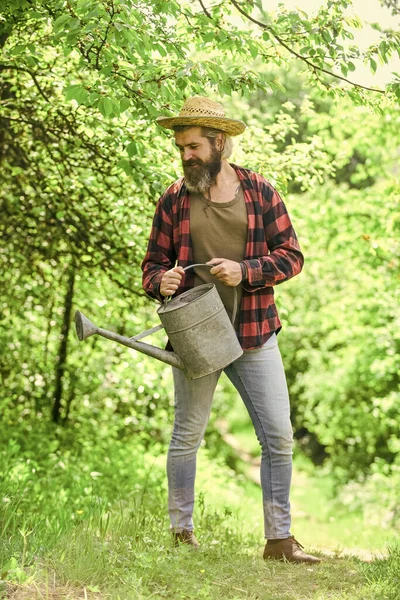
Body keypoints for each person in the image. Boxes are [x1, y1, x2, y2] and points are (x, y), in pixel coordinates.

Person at [141, 96, 321, 564]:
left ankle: (279, 541)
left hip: (255, 331)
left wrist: (247, 270)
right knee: (187, 435)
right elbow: (152, 267)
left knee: (278, 435)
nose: (186, 156)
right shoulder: (174, 199)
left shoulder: (260, 192)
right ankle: (181, 534)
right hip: (195, 333)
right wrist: (163, 281)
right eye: (181, 148)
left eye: (195, 147)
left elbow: (292, 256)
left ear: (220, 143)